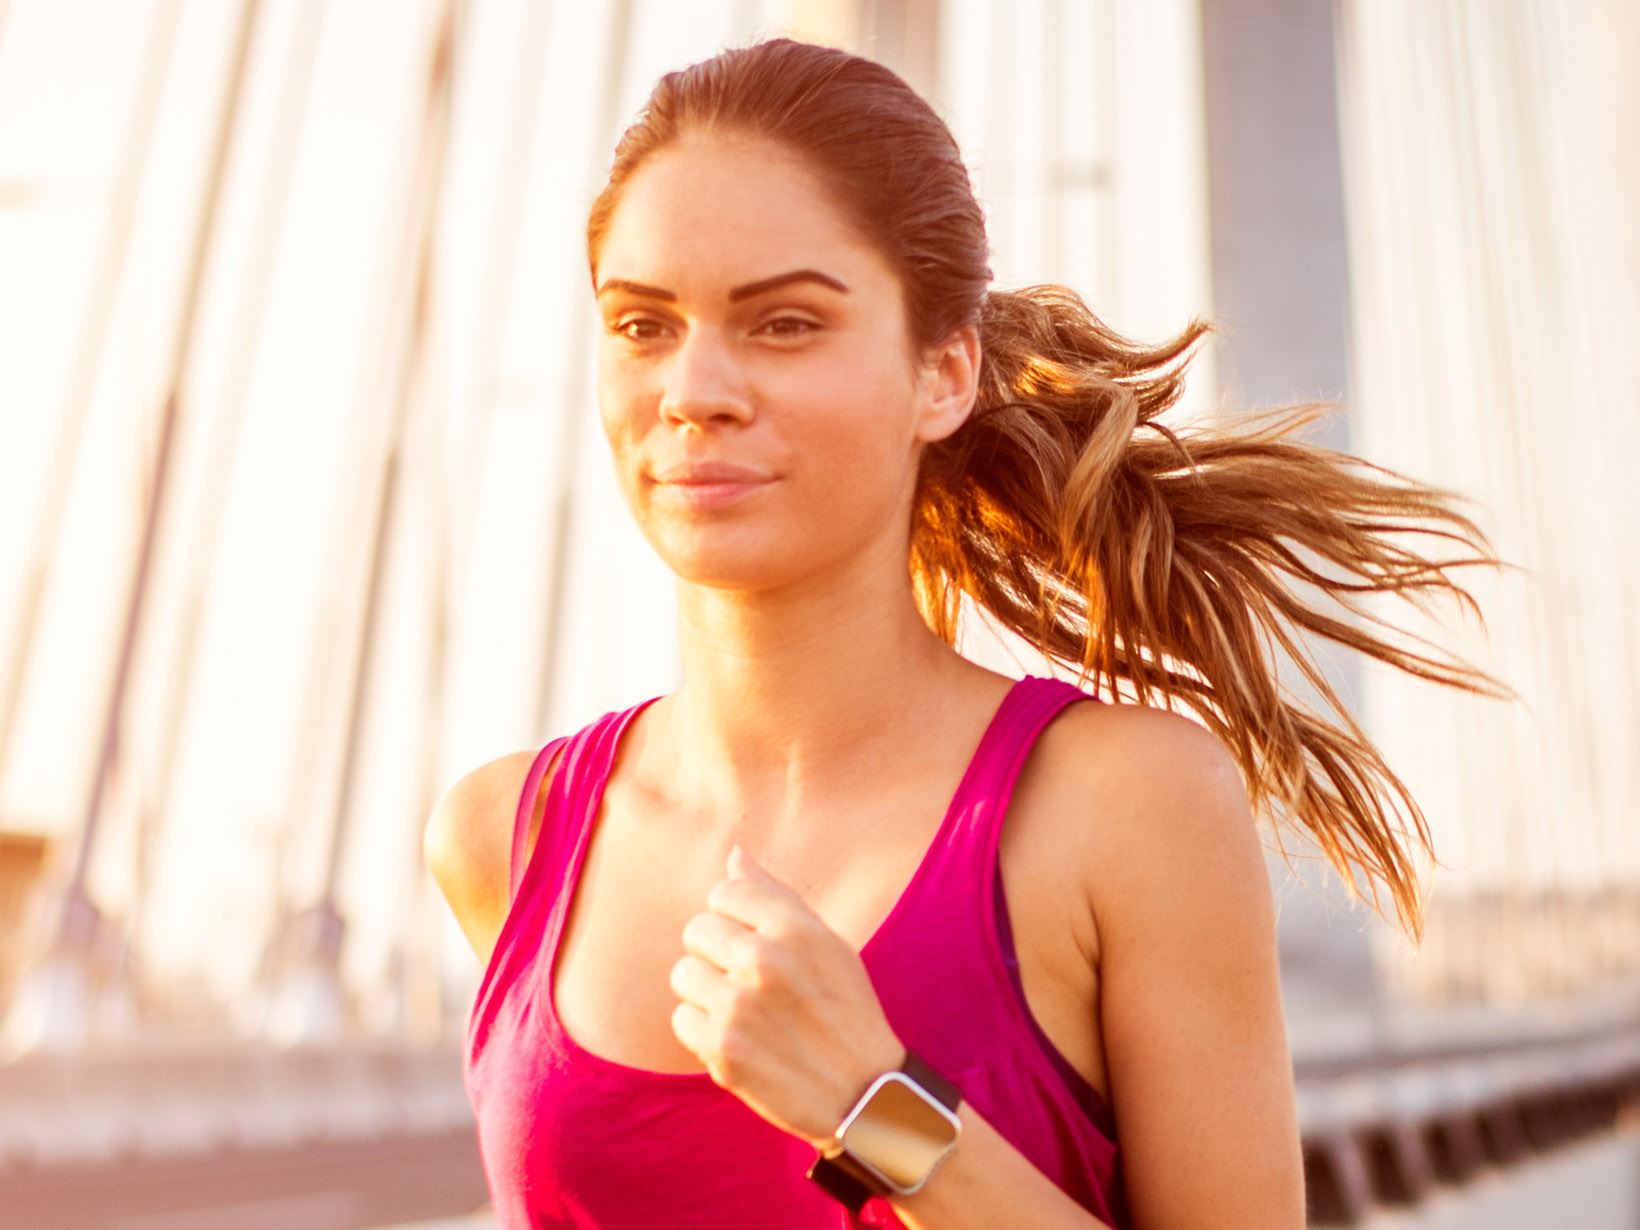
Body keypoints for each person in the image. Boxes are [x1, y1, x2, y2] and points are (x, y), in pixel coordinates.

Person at [424, 36, 1506, 1230]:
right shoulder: (506, 838)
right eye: (642, 325)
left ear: (941, 375)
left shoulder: (1120, 807)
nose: (694, 389)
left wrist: (871, 1107)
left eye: (782, 323)